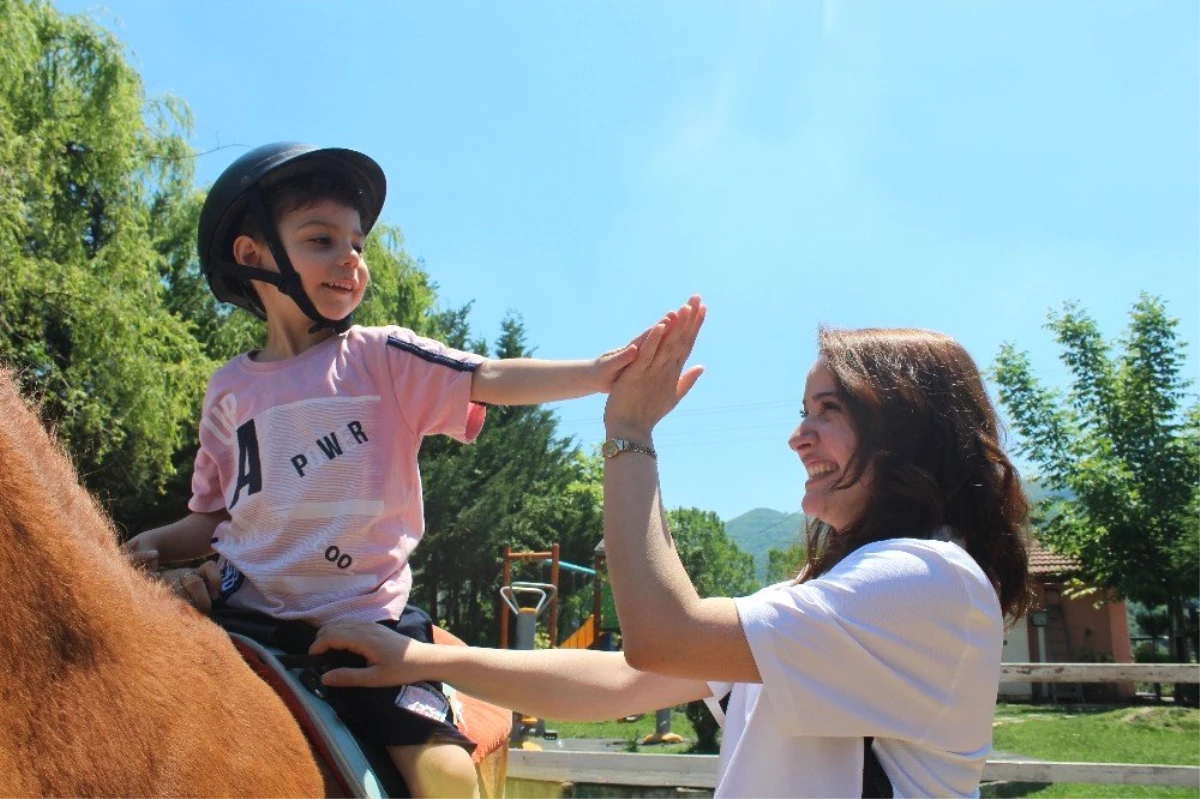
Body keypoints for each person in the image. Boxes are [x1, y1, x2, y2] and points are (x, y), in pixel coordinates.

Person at [311, 296, 1032, 798]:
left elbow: (662, 636)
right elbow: (626, 680)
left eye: (831, 411)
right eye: (803, 410)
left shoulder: (925, 581)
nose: (798, 435)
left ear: (908, 432)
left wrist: (630, 431)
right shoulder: (835, 599)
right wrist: (424, 660)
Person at [122, 142, 663, 799]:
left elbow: (486, 376)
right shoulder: (228, 391)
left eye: (357, 242)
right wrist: (143, 546)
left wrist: (597, 375)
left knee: (445, 777)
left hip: (364, 624)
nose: (350, 257)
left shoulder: (381, 358)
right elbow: (210, 519)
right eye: (322, 239)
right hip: (243, 613)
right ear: (252, 255)